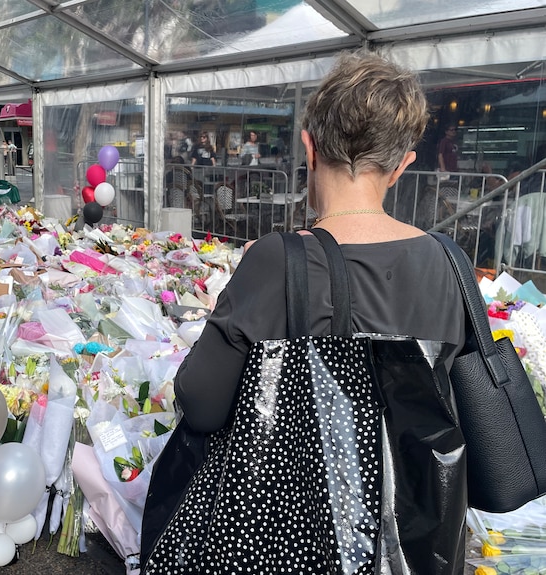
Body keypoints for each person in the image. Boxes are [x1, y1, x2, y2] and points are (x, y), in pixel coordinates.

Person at [143, 51, 467, 573]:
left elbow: (200, 404)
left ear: (309, 145)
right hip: (414, 542)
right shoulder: (453, 263)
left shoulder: (281, 260)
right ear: (403, 164)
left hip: (305, 540)